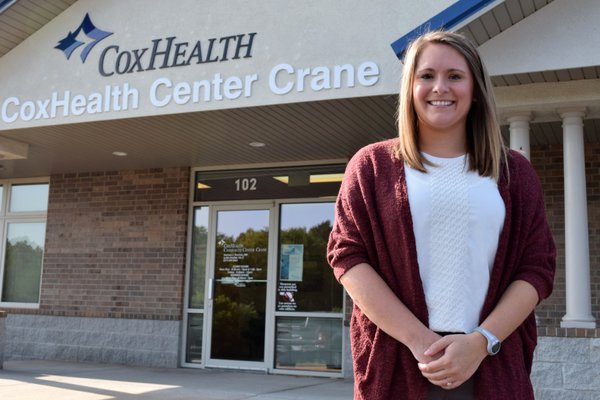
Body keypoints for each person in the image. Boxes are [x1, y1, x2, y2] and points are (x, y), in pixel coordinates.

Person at [327, 30, 556, 400]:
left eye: (455, 76)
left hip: (491, 365)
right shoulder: (370, 165)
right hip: (400, 363)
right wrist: (421, 342)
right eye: (427, 76)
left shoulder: (514, 172)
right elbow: (347, 257)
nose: (440, 87)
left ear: (475, 88)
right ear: (410, 87)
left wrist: (481, 343)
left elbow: (537, 267)